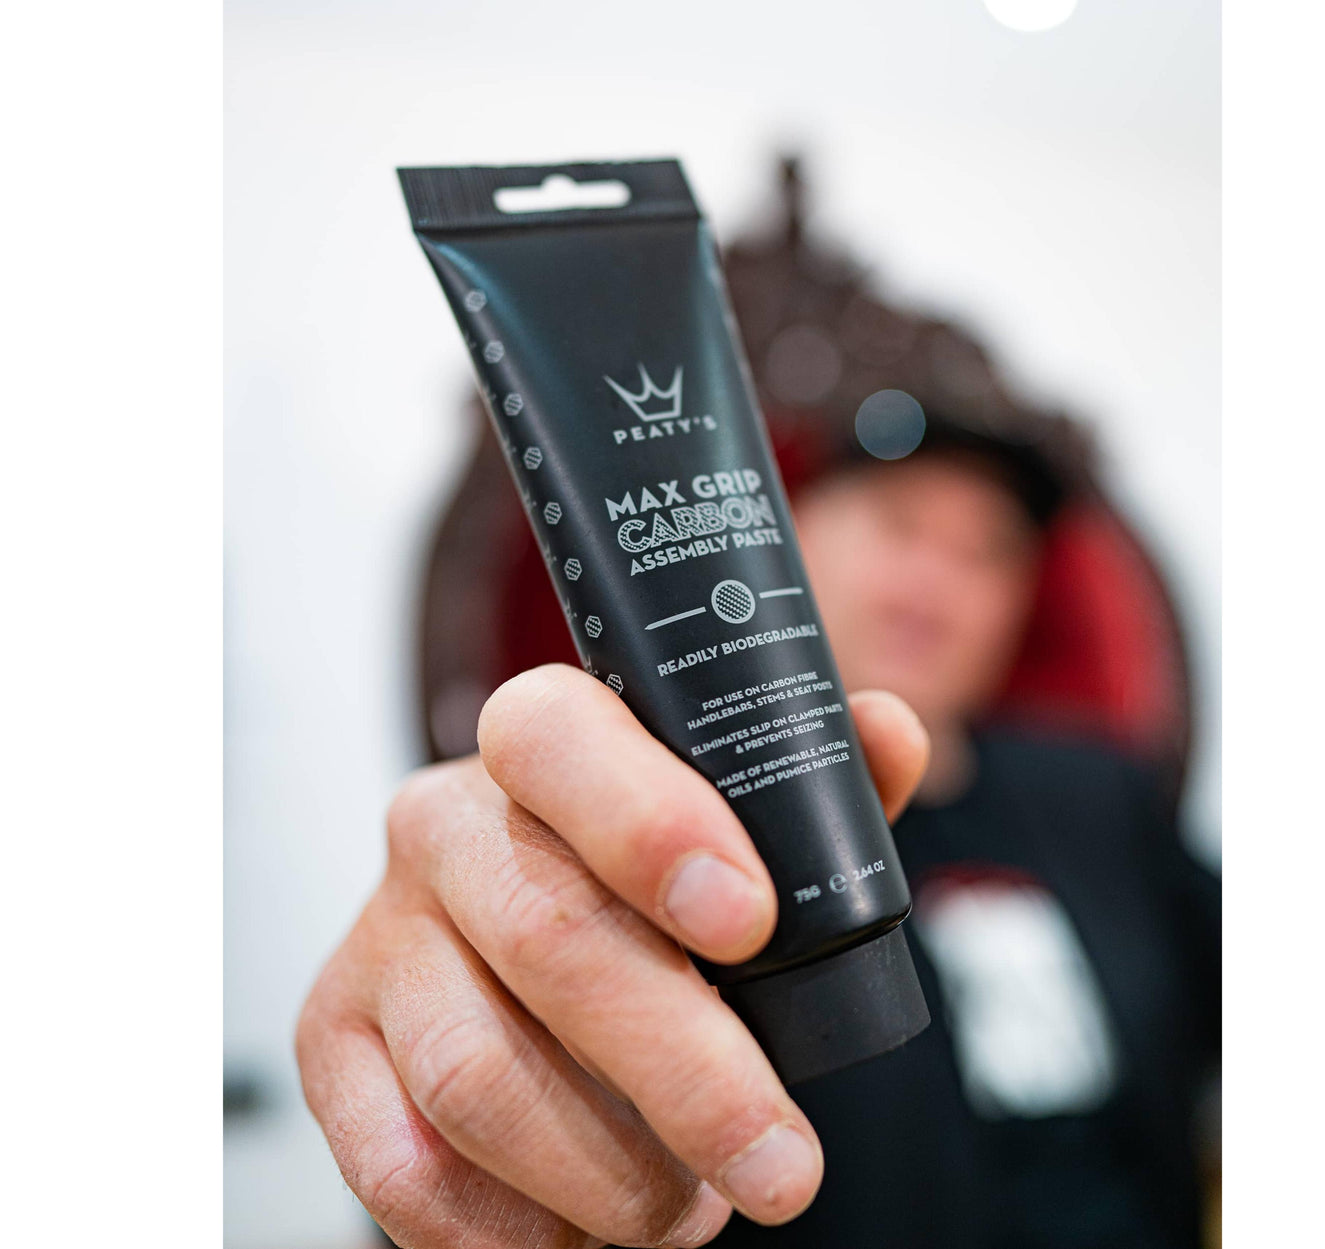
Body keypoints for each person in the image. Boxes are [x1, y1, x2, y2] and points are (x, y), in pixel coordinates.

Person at [296, 418, 1219, 1247]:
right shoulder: (670, 819)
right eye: (899, 526)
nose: (935, 582)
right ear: (788, 545)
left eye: (987, 553)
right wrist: (503, 917)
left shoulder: (1100, 792)